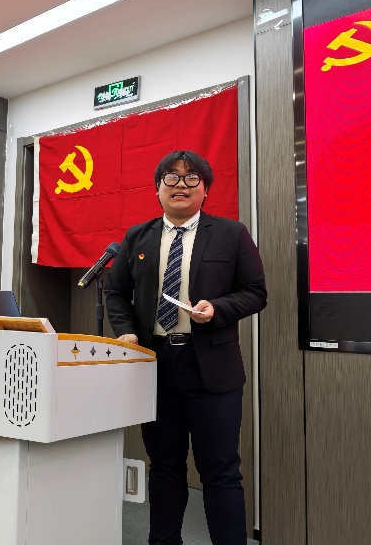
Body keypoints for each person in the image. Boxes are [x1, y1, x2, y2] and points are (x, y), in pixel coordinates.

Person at [104, 150, 266, 545]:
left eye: (192, 178)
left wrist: (218, 309)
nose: (181, 185)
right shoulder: (137, 237)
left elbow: (255, 292)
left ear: (206, 189)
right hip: (156, 364)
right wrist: (127, 332)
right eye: (171, 178)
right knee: (164, 466)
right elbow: (116, 292)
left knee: (220, 470)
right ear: (157, 189)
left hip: (212, 366)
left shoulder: (231, 233)